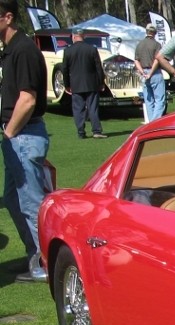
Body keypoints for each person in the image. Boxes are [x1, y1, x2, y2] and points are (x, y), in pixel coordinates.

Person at [0, 0, 52, 283]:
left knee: (32, 204)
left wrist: (9, 133)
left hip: (24, 134)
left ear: (8, 18)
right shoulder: (10, 51)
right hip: (18, 135)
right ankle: (35, 254)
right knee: (12, 199)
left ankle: (46, 262)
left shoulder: (24, 50)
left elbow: (28, 99)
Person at [61, 28, 107, 139]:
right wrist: (101, 82)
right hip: (91, 84)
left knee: (78, 109)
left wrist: (66, 84)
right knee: (93, 108)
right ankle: (96, 131)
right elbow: (98, 68)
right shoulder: (91, 49)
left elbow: (65, 69)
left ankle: (81, 132)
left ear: (73, 37)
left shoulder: (68, 51)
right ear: (83, 36)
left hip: (76, 84)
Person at [134, 23, 165, 122]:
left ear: (146, 32)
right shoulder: (157, 45)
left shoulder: (139, 44)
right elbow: (157, 60)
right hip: (155, 73)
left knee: (149, 100)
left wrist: (142, 72)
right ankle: (155, 122)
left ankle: (151, 121)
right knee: (160, 99)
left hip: (144, 72)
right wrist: (151, 73)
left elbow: (136, 60)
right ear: (155, 33)